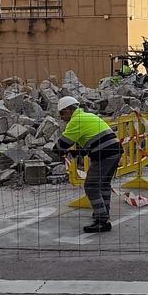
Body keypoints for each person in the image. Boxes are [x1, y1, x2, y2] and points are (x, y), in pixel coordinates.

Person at [53, 96, 122, 233]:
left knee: (91, 186)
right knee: (103, 185)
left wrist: (56, 151)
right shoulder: (87, 116)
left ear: (68, 110)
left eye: (61, 113)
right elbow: (91, 139)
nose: (61, 118)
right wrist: (76, 153)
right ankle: (102, 214)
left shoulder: (76, 121)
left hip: (104, 154)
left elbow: (62, 145)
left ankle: (101, 220)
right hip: (114, 151)